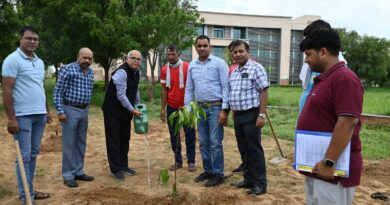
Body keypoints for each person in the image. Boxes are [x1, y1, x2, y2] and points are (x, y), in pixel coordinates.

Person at [297, 28, 364, 205]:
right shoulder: (325, 79)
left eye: (309, 54)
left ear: (324, 52)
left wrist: (329, 161)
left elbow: (348, 122)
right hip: (317, 166)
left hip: (332, 169)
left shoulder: (344, 79)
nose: (306, 60)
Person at [1, 26, 51, 204]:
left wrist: (47, 110)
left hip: (39, 115)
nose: (32, 42)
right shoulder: (12, 60)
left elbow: (40, 87)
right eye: (28, 38)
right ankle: (25, 196)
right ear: (20, 39)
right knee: (24, 156)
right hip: (22, 116)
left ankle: (29, 190)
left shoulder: (39, 62)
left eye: (35, 39)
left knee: (33, 154)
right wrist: (11, 118)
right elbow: (7, 90)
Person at [184, 35, 229, 187]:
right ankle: (208, 170)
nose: (202, 48)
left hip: (216, 107)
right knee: (203, 142)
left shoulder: (219, 63)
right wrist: (188, 109)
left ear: (210, 47)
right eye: (199, 46)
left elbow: (225, 87)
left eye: (205, 45)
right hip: (200, 109)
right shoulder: (192, 66)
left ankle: (218, 174)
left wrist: (224, 110)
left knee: (215, 142)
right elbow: (189, 89)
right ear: (195, 47)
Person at [228, 40, 269, 195]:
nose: (237, 54)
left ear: (247, 51)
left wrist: (261, 115)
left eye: (240, 51)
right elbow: (234, 93)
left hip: (252, 115)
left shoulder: (256, 68)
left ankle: (260, 184)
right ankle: (248, 179)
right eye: (234, 52)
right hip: (238, 116)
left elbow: (263, 91)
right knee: (243, 150)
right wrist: (233, 113)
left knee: (254, 150)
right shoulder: (234, 71)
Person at [53, 48, 95, 188]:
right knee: (69, 144)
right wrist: (60, 111)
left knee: (81, 142)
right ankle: (68, 175)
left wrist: (86, 108)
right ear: (78, 57)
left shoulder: (90, 72)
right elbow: (57, 92)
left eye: (90, 58)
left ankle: (78, 171)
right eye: (85, 58)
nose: (87, 61)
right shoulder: (68, 69)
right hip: (69, 110)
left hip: (84, 110)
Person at [102, 50, 142, 181]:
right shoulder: (121, 73)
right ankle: (116, 169)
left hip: (125, 111)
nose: (136, 61)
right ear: (126, 59)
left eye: (138, 59)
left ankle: (123, 165)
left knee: (125, 138)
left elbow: (135, 92)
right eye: (133, 58)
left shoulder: (136, 73)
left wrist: (138, 106)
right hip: (112, 111)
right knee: (114, 140)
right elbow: (121, 96)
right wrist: (132, 110)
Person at [160, 45, 196, 172]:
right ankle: (178, 161)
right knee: (174, 135)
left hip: (186, 107)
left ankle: (191, 162)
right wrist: (163, 108)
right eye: (168, 54)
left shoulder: (187, 67)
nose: (170, 57)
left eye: (173, 54)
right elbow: (164, 90)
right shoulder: (164, 69)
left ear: (178, 54)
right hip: (172, 107)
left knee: (190, 135)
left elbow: (193, 86)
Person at [298, 19, 347, 113]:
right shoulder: (313, 63)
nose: (308, 42)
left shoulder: (341, 74)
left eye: (311, 38)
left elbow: (347, 119)